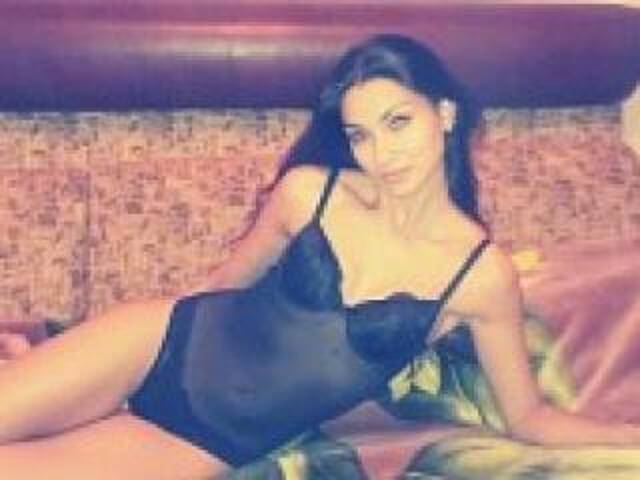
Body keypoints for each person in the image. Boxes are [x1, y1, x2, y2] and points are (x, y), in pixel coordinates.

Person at [0, 33, 639, 480]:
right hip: (155, 342)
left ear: (444, 115)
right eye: (361, 134)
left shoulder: (482, 276)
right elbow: (222, 286)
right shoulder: (310, 192)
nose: (381, 153)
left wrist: (630, 437)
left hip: (206, 437)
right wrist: (74, 357)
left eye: (398, 122)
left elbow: (529, 417)